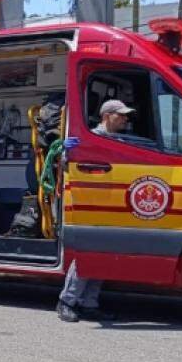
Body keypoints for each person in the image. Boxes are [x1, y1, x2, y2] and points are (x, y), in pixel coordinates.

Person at [57, 99, 133, 322]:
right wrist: (66, 152)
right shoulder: (88, 137)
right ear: (107, 115)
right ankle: (66, 302)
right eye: (121, 115)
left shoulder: (120, 140)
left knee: (102, 256)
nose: (125, 119)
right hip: (90, 203)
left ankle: (89, 303)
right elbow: (65, 166)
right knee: (87, 254)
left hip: (112, 204)